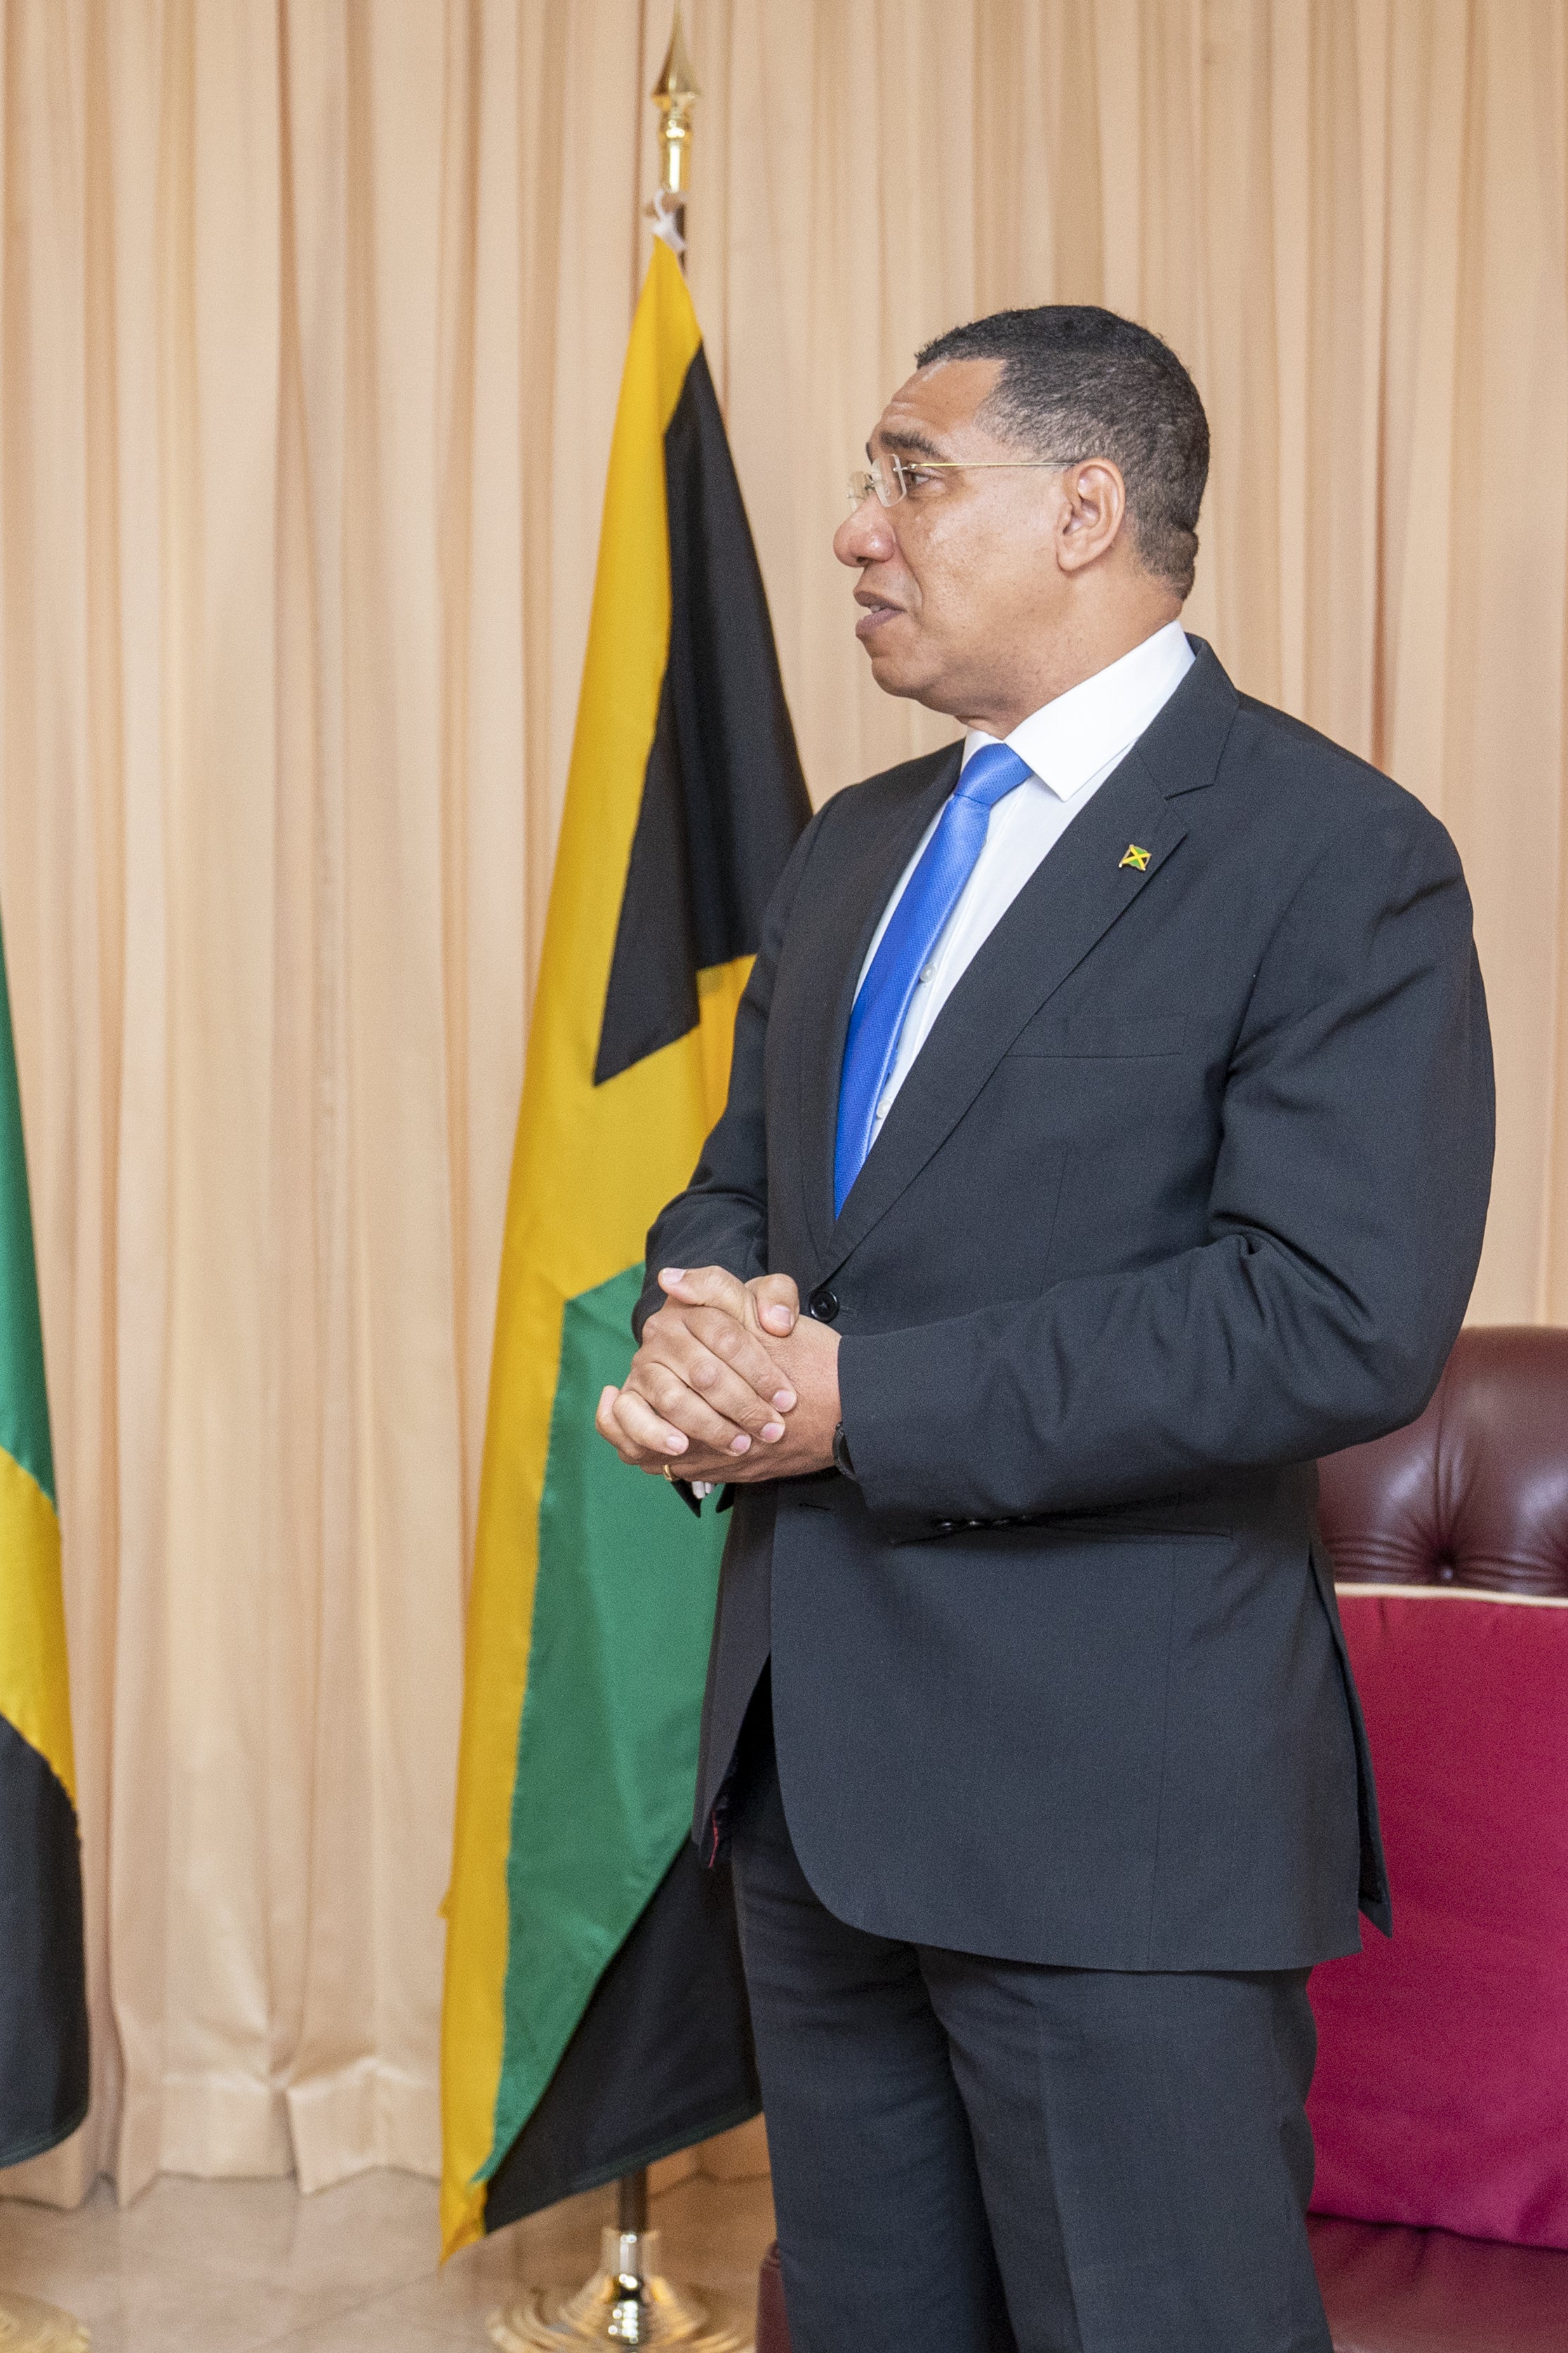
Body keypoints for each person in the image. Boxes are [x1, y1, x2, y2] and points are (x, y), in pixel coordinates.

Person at [597, 307, 1492, 2350]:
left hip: (1112, 1825)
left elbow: (1327, 1315)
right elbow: (746, 1188)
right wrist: (707, 1321)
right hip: (815, 1790)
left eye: (910, 475)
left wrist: (850, 1401)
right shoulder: (852, 846)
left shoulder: (1330, 858)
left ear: (1088, 509)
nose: (851, 530)